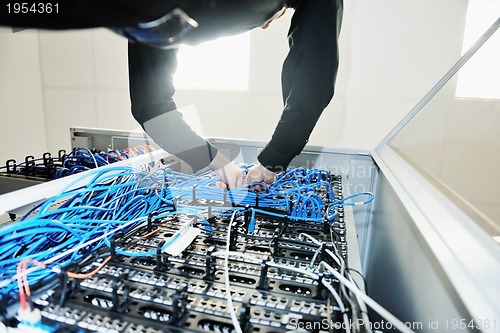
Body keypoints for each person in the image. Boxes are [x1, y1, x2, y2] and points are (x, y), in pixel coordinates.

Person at [1, 0, 343, 190]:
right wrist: (272, 160)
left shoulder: (157, 22)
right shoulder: (159, 20)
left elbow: (151, 107)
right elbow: (312, 85)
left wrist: (214, 161)